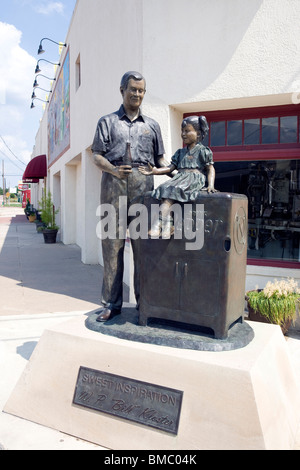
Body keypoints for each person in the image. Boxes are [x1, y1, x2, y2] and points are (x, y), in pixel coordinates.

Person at [91, 71, 165, 322]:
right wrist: (112, 169)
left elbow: (160, 161)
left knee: (144, 247)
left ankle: (146, 302)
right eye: (133, 89)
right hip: (113, 185)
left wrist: (183, 165)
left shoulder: (152, 125)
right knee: (112, 246)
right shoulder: (107, 122)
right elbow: (96, 156)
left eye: (141, 90)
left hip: (143, 187)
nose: (137, 94)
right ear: (122, 90)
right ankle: (111, 303)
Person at [139, 115, 217, 238]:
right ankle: (168, 226)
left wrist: (210, 185)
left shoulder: (203, 151)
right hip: (180, 178)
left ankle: (157, 224)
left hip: (194, 178)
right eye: (182, 131)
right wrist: (154, 171)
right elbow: (170, 168)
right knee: (164, 188)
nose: (183, 134)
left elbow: (210, 168)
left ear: (198, 133)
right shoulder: (180, 153)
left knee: (173, 190)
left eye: (187, 131)